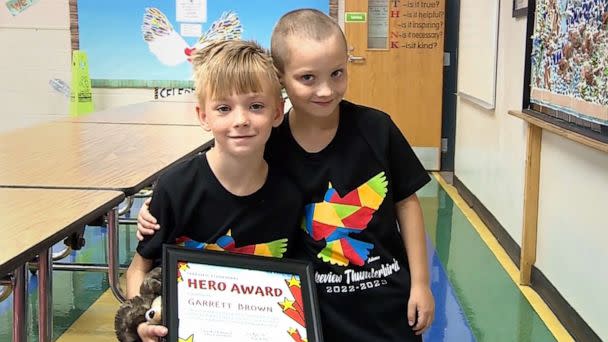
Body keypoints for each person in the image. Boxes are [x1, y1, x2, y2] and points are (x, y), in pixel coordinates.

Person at [137, 9, 435, 341]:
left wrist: (421, 283)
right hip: (313, 310)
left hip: (386, 305)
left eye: (337, 73)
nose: (325, 90)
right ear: (281, 78)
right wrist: (157, 204)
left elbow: (406, 204)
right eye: (308, 78)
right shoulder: (267, 144)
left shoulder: (377, 128)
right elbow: (223, 178)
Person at [127, 39, 303, 341]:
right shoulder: (175, 187)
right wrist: (141, 322)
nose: (241, 120)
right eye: (224, 108)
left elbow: (294, 283)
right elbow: (137, 271)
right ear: (203, 116)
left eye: (256, 106)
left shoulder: (290, 195)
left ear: (277, 112)